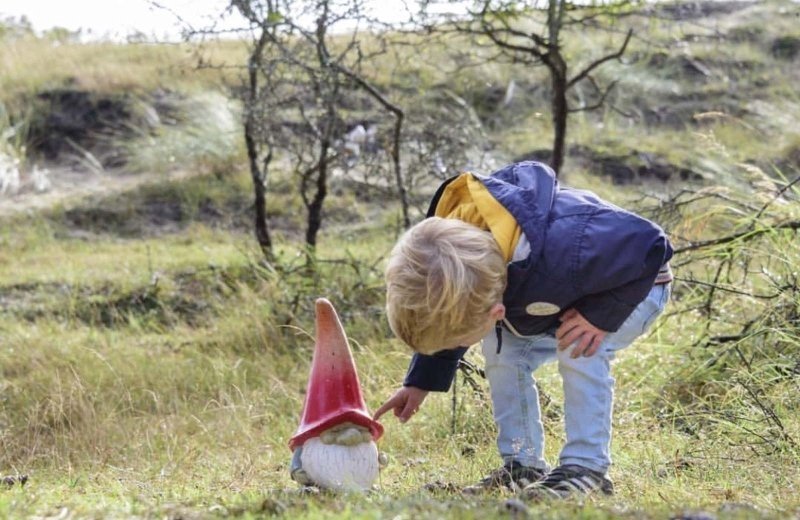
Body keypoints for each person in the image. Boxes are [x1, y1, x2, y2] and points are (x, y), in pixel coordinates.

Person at [374, 161, 673, 498]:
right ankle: (523, 465)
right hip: (559, 294)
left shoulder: (569, 243)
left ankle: (586, 469)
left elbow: (650, 245)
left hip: (634, 287)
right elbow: (454, 315)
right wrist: (421, 381)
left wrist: (599, 317)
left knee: (577, 348)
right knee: (503, 349)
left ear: (497, 309)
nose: (458, 346)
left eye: (457, 341)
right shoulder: (460, 255)